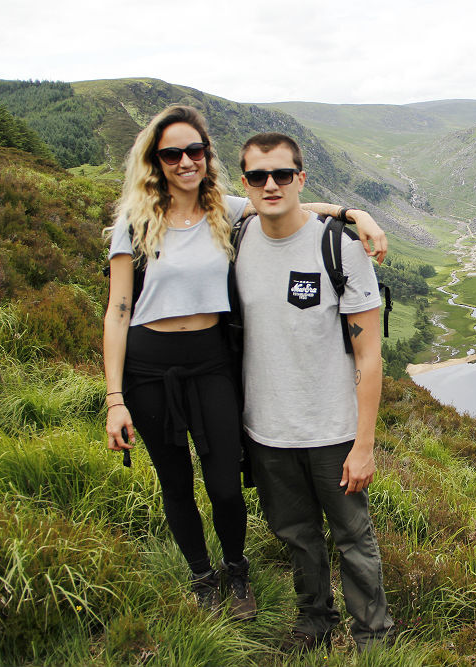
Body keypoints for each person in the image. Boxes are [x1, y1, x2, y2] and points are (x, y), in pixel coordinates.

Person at [102, 105, 386, 619]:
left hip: (211, 362)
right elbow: (119, 308)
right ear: (156, 160)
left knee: (225, 487)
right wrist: (114, 397)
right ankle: (205, 579)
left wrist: (352, 214)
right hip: (150, 366)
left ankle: (239, 574)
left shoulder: (225, 210)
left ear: (207, 157)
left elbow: (285, 202)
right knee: (176, 483)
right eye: (172, 153)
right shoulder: (135, 220)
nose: (185, 161)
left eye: (195, 151)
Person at [234, 132, 394, 652]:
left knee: (353, 539)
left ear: (301, 178)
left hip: (332, 431)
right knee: (296, 535)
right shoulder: (235, 235)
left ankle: (372, 639)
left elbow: (370, 357)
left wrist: (364, 445)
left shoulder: (340, 247)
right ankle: (315, 626)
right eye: (258, 176)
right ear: (246, 184)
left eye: (283, 174)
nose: (271, 185)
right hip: (267, 431)